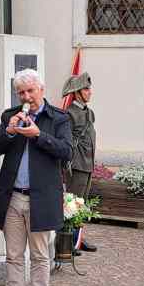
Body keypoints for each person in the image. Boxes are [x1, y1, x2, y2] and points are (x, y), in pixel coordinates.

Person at [0, 69, 72, 286]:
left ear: (41, 90)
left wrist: (38, 135)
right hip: (13, 197)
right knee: (13, 255)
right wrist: (9, 131)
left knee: (39, 256)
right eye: (21, 92)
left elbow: (67, 151)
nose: (26, 96)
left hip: (41, 198)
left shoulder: (59, 118)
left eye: (30, 91)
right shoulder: (9, 116)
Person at [61, 72, 98, 253]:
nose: (90, 92)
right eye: (86, 89)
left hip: (87, 164)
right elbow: (66, 141)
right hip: (75, 165)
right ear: (76, 92)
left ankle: (78, 238)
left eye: (89, 88)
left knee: (81, 203)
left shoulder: (89, 113)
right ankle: (68, 240)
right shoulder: (69, 114)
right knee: (71, 203)